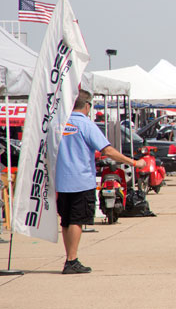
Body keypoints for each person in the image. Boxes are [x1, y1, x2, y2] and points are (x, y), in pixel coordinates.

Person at [57, 90, 147, 274]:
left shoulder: (59, 123)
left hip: (62, 180)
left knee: (67, 221)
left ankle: (70, 257)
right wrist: (134, 162)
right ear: (87, 106)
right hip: (81, 179)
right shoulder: (85, 124)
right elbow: (107, 151)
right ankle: (71, 260)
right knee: (77, 220)